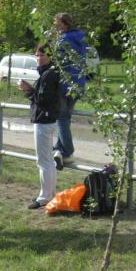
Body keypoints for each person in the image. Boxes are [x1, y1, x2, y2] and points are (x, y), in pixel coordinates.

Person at [18, 44, 60, 209]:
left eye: (42, 55)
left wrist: (27, 90)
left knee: (44, 161)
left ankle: (44, 197)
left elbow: (42, 99)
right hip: (46, 119)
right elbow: (41, 96)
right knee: (48, 161)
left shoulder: (49, 74)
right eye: (36, 55)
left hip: (44, 120)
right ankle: (50, 194)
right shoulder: (47, 73)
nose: (38, 58)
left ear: (50, 57)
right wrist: (31, 89)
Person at [51, 13, 87, 170]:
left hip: (64, 83)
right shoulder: (81, 39)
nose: (56, 26)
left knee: (61, 117)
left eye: (57, 24)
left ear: (65, 25)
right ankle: (59, 149)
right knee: (66, 118)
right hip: (78, 83)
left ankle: (67, 150)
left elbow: (55, 60)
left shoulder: (62, 40)